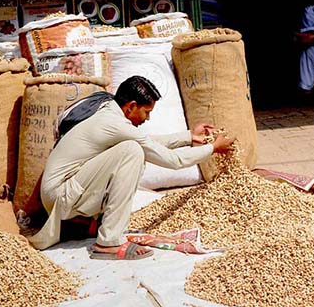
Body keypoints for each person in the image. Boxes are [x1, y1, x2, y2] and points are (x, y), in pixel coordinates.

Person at [29, 75, 235, 260]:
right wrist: (212, 148)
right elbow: (173, 160)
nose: (148, 119)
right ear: (131, 106)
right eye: (146, 112)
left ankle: (95, 225)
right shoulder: (115, 124)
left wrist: (188, 137)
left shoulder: (110, 112)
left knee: (134, 147)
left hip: (65, 191)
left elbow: (147, 141)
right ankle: (108, 242)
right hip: (60, 196)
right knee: (132, 151)